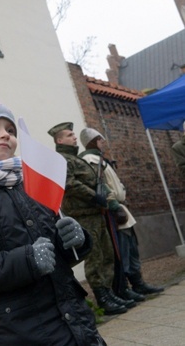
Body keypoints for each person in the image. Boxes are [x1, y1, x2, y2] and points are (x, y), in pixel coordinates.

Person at [0, 99, 105, 345]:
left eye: (10, 129)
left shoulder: (33, 183)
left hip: (75, 325)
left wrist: (76, 242)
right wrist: (27, 260)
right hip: (18, 332)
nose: (5, 134)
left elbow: (56, 256)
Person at [49, 122, 132, 315]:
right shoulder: (62, 159)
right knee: (95, 256)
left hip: (95, 212)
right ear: (60, 140)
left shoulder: (75, 158)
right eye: (70, 135)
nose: (74, 137)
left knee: (106, 254)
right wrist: (94, 196)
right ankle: (102, 297)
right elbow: (69, 183)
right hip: (83, 214)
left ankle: (109, 293)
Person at [79, 128, 164, 299]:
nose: (103, 143)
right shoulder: (91, 159)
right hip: (113, 211)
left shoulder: (99, 158)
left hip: (119, 208)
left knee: (131, 247)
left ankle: (138, 283)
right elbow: (101, 185)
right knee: (122, 250)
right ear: (94, 141)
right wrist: (114, 206)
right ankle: (124, 287)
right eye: (100, 140)